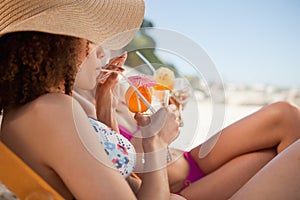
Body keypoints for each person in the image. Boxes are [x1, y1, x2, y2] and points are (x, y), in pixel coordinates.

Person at [0, 0, 183, 199]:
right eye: (88, 39)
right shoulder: (52, 111)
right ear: (57, 43)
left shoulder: (27, 109)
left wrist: (104, 105)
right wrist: (156, 141)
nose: (102, 52)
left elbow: (113, 172)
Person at [74, 50, 300, 200]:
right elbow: (123, 171)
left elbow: (115, 144)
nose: (101, 54)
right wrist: (157, 140)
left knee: (285, 114)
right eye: (91, 48)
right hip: (182, 188)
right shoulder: (69, 115)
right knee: (278, 156)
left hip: (188, 159)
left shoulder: (102, 104)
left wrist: (105, 96)